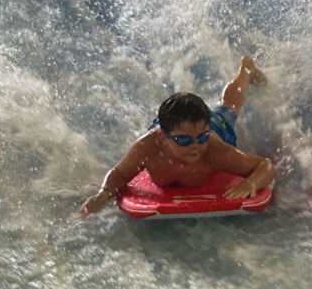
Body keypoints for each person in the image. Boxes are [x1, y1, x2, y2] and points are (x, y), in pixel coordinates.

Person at [79, 57, 275, 219]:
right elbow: (120, 174)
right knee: (182, 124)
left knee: (228, 108)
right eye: (184, 141)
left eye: (201, 138)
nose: (195, 146)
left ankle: (246, 70)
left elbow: (265, 167)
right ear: (163, 138)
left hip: (216, 125)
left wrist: (250, 183)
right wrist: (103, 195)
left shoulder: (214, 150)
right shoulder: (149, 147)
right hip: (172, 126)